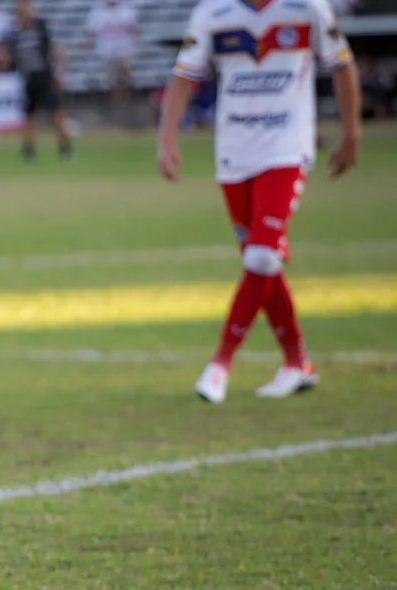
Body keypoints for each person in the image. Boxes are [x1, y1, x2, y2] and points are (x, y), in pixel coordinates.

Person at [157, 0, 361, 403]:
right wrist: (167, 140)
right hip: (234, 153)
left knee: (262, 258)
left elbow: (342, 65)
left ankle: (220, 365)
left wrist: (351, 134)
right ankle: (298, 363)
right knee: (261, 261)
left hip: (287, 148)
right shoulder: (211, 14)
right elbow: (184, 77)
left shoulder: (308, 9)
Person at [0, 0, 72, 162]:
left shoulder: (41, 27)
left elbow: (56, 51)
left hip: (45, 76)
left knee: (56, 114)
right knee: (30, 117)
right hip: (28, 79)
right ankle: (29, 151)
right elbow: (6, 56)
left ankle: (66, 149)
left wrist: (61, 73)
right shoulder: (15, 33)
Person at [85, 0, 140, 115]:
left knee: (126, 79)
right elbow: (90, 33)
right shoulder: (98, 12)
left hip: (124, 52)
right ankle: (116, 108)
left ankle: (127, 106)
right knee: (112, 81)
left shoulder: (127, 11)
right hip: (106, 53)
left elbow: (135, 30)